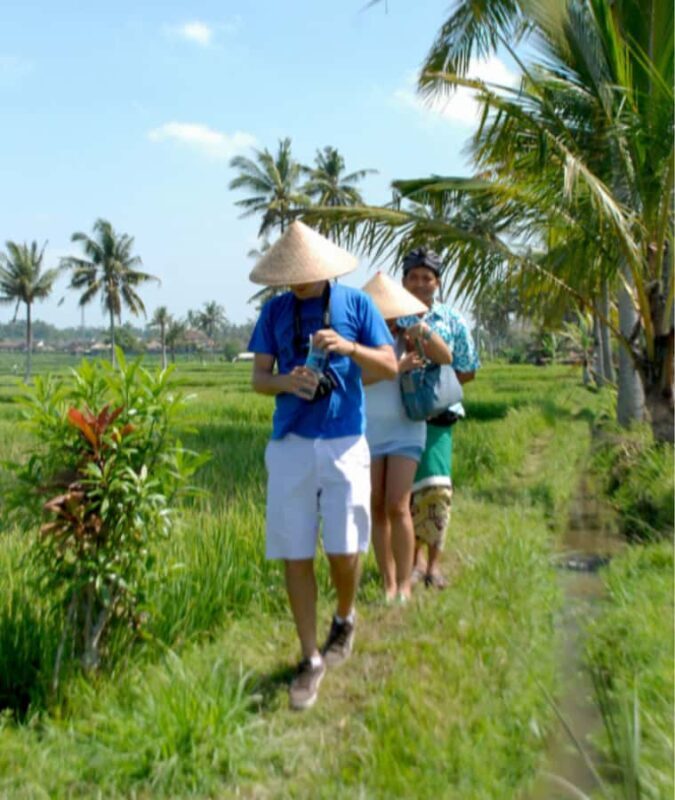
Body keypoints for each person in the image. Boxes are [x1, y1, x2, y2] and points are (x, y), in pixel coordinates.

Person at [247, 221, 397, 711]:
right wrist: (288, 382)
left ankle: (346, 616)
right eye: (288, 275)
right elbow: (258, 379)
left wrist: (348, 348)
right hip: (290, 442)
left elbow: (389, 366)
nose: (296, 282)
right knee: (295, 550)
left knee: (344, 546)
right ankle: (310, 657)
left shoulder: (356, 305)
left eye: (302, 273)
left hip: (344, 441)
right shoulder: (275, 311)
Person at [361, 272, 452, 603]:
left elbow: (446, 356)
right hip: (369, 429)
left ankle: (404, 584)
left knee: (398, 504)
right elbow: (357, 379)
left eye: (389, 309)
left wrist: (422, 330)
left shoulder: (411, 335)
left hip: (406, 429)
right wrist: (396, 367)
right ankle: (387, 582)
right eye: (378, 309)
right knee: (376, 506)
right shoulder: (362, 341)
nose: (385, 315)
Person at [398, 247, 480, 589]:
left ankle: (433, 565)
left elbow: (467, 369)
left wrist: (435, 389)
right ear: (403, 281)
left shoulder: (452, 320)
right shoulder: (392, 318)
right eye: (413, 278)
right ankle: (411, 562)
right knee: (406, 495)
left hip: (439, 418)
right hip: (399, 417)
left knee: (436, 491)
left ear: (437, 283)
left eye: (426, 278)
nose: (420, 284)